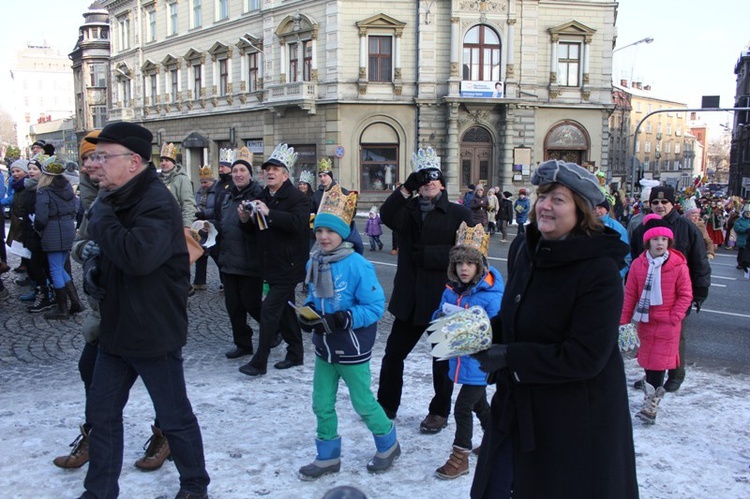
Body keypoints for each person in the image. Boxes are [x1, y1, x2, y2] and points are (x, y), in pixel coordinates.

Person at [470, 159, 638, 499]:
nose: (545, 206)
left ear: (582, 211)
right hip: (518, 402)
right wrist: (483, 334)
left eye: (558, 199)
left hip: (572, 419)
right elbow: (517, 315)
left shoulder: (599, 270)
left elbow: (586, 356)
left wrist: (510, 357)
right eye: (542, 196)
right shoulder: (526, 248)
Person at [79, 122, 210, 499]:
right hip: (116, 330)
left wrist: (100, 219)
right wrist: (92, 273)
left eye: (104, 156)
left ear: (133, 161)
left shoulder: (155, 200)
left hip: (153, 330)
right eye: (93, 157)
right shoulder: (112, 197)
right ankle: (99, 491)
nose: (94, 164)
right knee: (101, 415)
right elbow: (107, 255)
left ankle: (194, 486)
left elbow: (137, 257)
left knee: (174, 417)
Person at [296, 185, 399, 479]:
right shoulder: (314, 261)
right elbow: (313, 297)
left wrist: (344, 318)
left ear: (344, 232)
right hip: (324, 347)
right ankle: (327, 457)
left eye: (330, 231)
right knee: (321, 403)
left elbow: (376, 306)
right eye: (319, 231)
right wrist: (307, 314)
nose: (323, 237)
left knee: (363, 403)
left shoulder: (358, 265)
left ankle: (388, 444)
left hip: (352, 347)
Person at [376, 146, 474, 434]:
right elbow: (386, 215)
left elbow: (470, 252)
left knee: (441, 360)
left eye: (434, 179)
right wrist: (406, 186)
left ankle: (439, 411)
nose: (429, 183)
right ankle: (386, 405)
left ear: (442, 184)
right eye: (423, 180)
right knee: (393, 355)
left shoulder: (459, 212)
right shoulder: (407, 210)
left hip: (442, 299)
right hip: (409, 297)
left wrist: (428, 256)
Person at [433, 222, 504, 480]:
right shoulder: (451, 290)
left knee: (463, 407)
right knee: (480, 406)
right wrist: (441, 316)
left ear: (480, 266)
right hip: (460, 359)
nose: (464, 268)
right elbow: (438, 316)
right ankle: (498, 440)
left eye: (470, 263)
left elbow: (499, 329)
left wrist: (477, 327)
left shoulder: (491, 296)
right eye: (459, 263)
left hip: (481, 363)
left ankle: (459, 457)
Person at [238, 143, 311, 377]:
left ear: (286, 174)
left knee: (269, 310)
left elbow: (298, 225)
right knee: (287, 311)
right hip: (270, 264)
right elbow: (255, 231)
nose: (270, 172)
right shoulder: (261, 196)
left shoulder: (298, 197)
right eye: (267, 169)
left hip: (290, 265)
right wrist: (245, 218)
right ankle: (296, 352)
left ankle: (260, 362)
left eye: (276, 169)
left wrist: (270, 213)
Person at [631, 186, 711, 392]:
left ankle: (675, 375)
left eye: (663, 202)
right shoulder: (642, 229)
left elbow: (700, 262)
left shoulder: (686, 227)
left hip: (677, 295)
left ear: (672, 204)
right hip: (649, 296)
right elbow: (636, 260)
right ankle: (652, 376)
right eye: (655, 202)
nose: (659, 206)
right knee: (650, 337)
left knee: (675, 336)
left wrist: (700, 293)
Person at [620, 214, 692, 425]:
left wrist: (674, 317)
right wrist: (623, 322)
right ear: (647, 242)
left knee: (658, 364)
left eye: (664, 239)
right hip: (645, 321)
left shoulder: (678, 265)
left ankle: (651, 406)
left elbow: (685, 295)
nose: (660, 243)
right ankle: (650, 393)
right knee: (649, 362)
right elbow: (630, 294)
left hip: (668, 324)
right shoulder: (638, 265)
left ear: (669, 242)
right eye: (655, 239)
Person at [219, 147, 264, 359]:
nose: (238, 174)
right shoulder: (227, 197)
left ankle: (277, 328)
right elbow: (223, 223)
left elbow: (262, 228)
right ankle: (243, 344)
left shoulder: (258, 196)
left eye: (242, 171)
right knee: (233, 307)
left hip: (250, 261)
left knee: (252, 304)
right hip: (228, 260)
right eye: (235, 170)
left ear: (250, 174)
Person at [34, 156, 83, 319]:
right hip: (67, 228)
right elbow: (76, 206)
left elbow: (41, 217)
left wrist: (38, 228)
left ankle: (63, 308)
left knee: (55, 268)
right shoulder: (68, 188)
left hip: (52, 230)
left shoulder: (44, 190)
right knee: (60, 267)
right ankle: (76, 303)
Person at [314, 157, 364, 254]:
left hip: (338, 232)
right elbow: (312, 213)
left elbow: (351, 212)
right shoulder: (316, 195)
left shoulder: (343, 192)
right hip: (322, 231)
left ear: (330, 176)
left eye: (325, 175)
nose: (322, 178)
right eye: (320, 176)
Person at [192, 165, 220, 291]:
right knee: (200, 255)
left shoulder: (217, 191)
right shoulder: (199, 191)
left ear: (212, 181)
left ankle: (225, 282)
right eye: (202, 182)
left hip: (212, 225)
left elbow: (217, 209)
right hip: (201, 226)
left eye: (206, 182)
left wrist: (205, 214)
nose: (203, 184)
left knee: (217, 255)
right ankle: (199, 281)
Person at [159, 142, 197, 229]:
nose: (163, 163)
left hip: (175, 225)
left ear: (173, 163)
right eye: (161, 160)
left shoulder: (182, 179)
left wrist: (187, 226)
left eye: (167, 160)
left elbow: (188, 204)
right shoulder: (157, 180)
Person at [595, 198, 631, 279]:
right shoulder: (585, 226)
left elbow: (627, 256)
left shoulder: (618, 228)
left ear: (606, 210)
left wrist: (618, 274)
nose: (597, 211)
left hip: (613, 277)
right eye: (594, 208)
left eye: (600, 207)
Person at [733, 204, 750, 277]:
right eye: (747, 213)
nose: (748, 215)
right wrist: (745, 230)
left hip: (749, 239)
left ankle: (747, 263)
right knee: (741, 252)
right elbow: (737, 228)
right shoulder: (739, 220)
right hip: (742, 238)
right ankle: (740, 263)